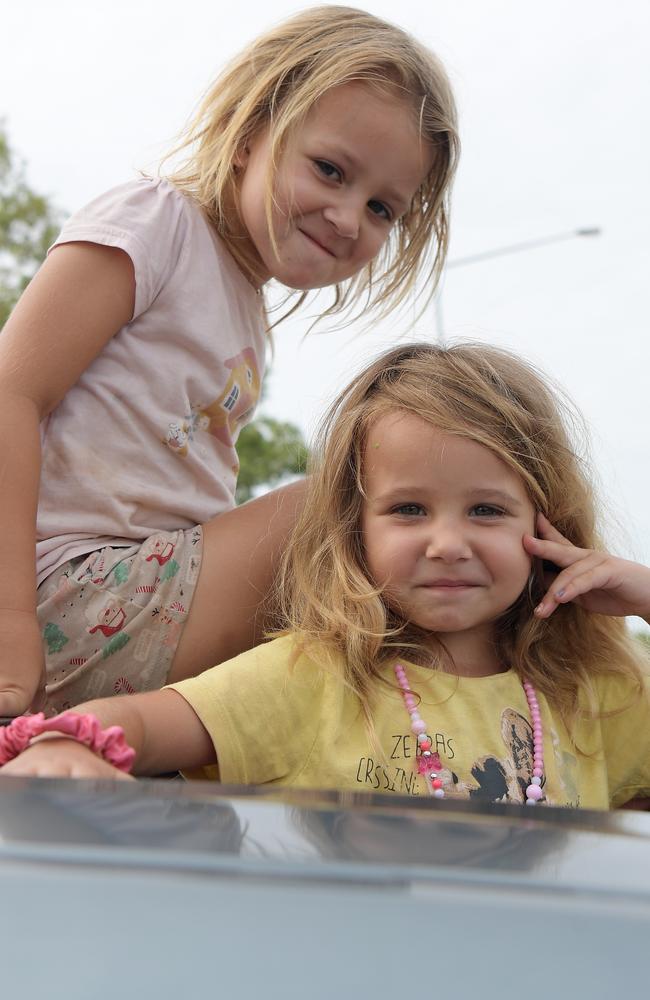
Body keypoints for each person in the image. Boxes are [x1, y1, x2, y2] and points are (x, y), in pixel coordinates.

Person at [0, 7, 459, 717]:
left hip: (145, 595)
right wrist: (10, 620)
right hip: (61, 594)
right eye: (330, 170)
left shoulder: (243, 303)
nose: (347, 217)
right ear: (250, 134)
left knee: (440, 530)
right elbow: (11, 394)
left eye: (381, 209)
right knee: (352, 504)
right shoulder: (156, 223)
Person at [3, 341, 650, 811]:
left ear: (548, 524)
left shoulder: (596, 690)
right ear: (354, 530)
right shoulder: (313, 677)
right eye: (408, 510)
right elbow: (140, 724)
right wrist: (73, 747)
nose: (448, 544)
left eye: (486, 510)